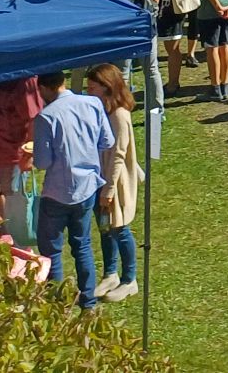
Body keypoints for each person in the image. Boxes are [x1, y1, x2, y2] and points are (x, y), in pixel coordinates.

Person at [31, 71, 114, 310]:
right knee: (83, 245)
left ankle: (57, 305)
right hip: (87, 188)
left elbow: (42, 163)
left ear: (44, 89)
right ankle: (88, 303)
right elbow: (106, 141)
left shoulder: (46, 118)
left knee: (51, 250)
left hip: (57, 192)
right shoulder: (92, 103)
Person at [83, 64, 141, 304]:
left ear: (107, 88)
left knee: (120, 228)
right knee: (105, 227)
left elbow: (118, 153)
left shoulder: (119, 115)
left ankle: (130, 280)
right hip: (100, 178)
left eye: (92, 88)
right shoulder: (103, 110)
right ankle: (110, 273)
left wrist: (108, 189)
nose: (88, 92)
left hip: (114, 182)